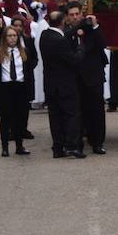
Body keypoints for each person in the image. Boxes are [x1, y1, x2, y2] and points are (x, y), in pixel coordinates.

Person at [39, 9, 84, 159]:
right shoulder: (60, 41)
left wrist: (75, 30)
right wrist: (81, 49)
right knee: (72, 115)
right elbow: (73, 60)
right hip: (65, 84)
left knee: (55, 117)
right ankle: (72, 146)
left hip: (51, 84)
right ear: (62, 22)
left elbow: (63, 36)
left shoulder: (45, 36)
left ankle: (58, 147)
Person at [67, 4, 107, 155]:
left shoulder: (92, 29)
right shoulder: (67, 32)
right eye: (72, 14)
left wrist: (95, 25)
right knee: (78, 112)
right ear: (67, 17)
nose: (75, 17)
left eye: (77, 14)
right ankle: (77, 143)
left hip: (93, 76)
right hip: (76, 77)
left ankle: (98, 142)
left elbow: (103, 44)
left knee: (96, 111)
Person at [0, 25, 35, 157]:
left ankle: (19, 145)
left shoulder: (24, 52)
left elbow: (29, 72)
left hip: (20, 87)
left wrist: (30, 91)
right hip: (6, 88)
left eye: (14, 36)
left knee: (20, 117)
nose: (12, 38)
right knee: (6, 117)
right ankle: (5, 146)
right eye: (9, 36)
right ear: (5, 38)